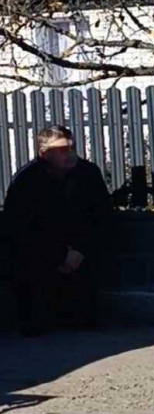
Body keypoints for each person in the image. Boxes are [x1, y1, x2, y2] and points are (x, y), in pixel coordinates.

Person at [4, 125, 113, 336]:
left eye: (71, 147)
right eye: (62, 149)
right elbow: (18, 227)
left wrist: (79, 250)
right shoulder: (27, 180)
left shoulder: (87, 174)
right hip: (43, 252)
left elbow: (100, 217)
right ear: (44, 153)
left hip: (81, 251)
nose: (69, 154)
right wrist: (59, 255)